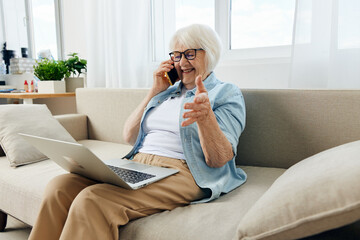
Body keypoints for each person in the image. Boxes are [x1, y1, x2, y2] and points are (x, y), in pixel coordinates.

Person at [28, 24, 247, 240]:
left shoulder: (225, 92)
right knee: (60, 186)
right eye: (177, 55)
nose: (182, 62)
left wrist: (205, 117)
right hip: (139, 163)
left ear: (210, 54)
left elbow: (220, 159)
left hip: (185, 171)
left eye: (190, 54)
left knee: (92, 199)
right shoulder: (165, 93)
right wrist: (154, 91)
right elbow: (129, 136)